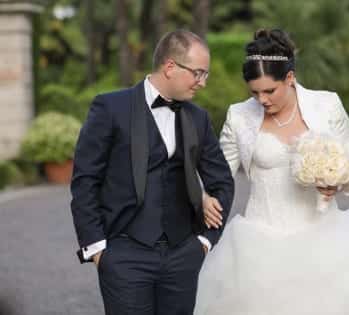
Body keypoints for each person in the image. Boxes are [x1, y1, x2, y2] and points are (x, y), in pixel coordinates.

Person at [195, 29, 349, 315]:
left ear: (289, 78)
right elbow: (219, 174)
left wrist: (339, 181)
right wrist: (205, 196)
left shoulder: (326, 105)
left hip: (325, 238)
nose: (262, 100)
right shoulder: (239, 115)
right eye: (254, 93)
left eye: (270, 91)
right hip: (260, 244)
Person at [70, 29, 234, 315]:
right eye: (198, 73)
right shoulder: (110, 107)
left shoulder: (199, 118)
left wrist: (205, 242)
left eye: (205, 75)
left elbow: (222, 182)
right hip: (124, 255)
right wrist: (98, 251)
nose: (202, 83)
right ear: (170, 67)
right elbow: (85, 181)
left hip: (183, 255)